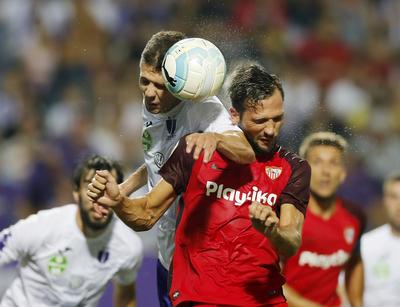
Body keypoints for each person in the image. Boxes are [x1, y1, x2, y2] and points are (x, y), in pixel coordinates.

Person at [88, 64, 311, 306]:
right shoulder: (195, 149)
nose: (270, 129)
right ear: (234, 115)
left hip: (263, 299)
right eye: (260, 120)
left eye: (277, 119)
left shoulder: (294, 168)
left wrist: (272, 231)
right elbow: (147, 215)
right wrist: (119, 201)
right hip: (200, 298)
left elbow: (291, 241)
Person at [115, 30, 255, 306]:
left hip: (196, 263)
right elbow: (158, 158)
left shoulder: (203, 109)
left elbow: (246, 152)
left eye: (159, 85)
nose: (150, 93)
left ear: (178, 82)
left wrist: (214, 138)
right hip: (166, 257)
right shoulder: (151, 105)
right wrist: (126, 187)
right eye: (144, 82)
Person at [0, 155, 143, 307]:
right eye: (91, 186)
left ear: (120, 194)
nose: (99, 196)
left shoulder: (128, 246)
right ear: (76, 193)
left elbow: (126, 297)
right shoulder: (43, 226)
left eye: (108, 187)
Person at [282, 132, 366, 307]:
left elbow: (355, 261)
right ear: (303, 170)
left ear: (343, 173)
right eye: (317, 162)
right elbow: (267, 277)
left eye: (333, 163)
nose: (325, 172)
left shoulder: (355, 216)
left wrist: (357, 302)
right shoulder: (286, 213)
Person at [361, 172, 400, 307]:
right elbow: (343, 289)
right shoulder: (366, 245)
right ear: (384, 201)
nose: (399, 205)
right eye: (394, 197)